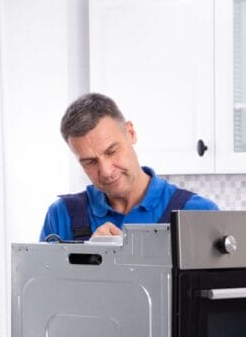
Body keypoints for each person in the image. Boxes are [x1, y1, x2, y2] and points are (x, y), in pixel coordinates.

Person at [40, 93, 218, 241]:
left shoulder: (199, 213)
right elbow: (40, 284)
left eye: (112, 151)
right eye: (90, 162)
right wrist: (90, 258)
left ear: (131, 133)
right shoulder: (61, 216)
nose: (106, 171)